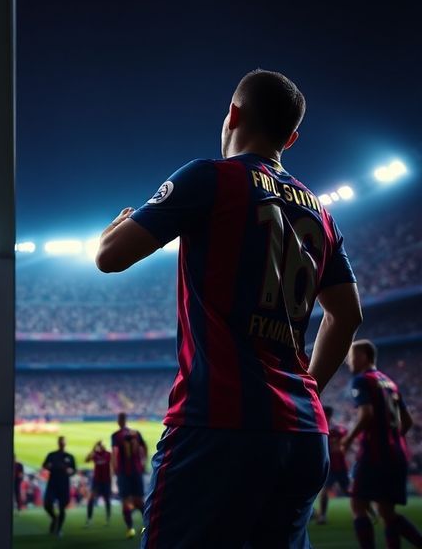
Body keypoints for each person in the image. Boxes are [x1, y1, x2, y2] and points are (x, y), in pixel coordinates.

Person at [96, 69, 363, 547]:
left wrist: (116, 226)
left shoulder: (210, 177)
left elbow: (109, 258)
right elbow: (347, 315)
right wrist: (311, 392)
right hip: (303, 436)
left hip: (217, 429)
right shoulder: (321, 212)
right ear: (292, 137)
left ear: (233, 114)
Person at [342, 339, 422, 548]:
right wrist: (392, 439)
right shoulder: (389, 382)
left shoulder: (362, 380)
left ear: (363, 356)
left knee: (358, 505)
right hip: (397, 453)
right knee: (387, 513)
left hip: (375, 453)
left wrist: (347, 440)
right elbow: (408, 421)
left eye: (351, 357)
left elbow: (366, 414)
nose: (349, 362)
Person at [111, 413, 147, 538]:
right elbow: (144, 447)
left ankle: (130, 529)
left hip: (123, 472)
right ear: (126, 420)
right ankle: (147, 527)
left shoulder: (116, 436)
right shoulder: (136, 433)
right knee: (139, 502)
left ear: (119, 421)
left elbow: (114, 453)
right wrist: (144, 462)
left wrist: (115, 469)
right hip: (137, 470)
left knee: (126, 501)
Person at [316, 406, 349, 524]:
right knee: (325, 491)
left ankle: (368, 512)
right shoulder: (332, 428)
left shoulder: (332, 429)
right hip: (332, 466)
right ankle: (322, 516)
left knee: (349, 491)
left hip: (337, 466)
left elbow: (344, 433)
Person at [42, 436, 76, 537]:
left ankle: (59, 529)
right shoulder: (52, 455)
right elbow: (44, 465)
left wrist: (70, 472)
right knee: (47, 504)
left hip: (64, 484)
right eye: (60, 442)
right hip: (52, 482)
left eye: (63, 442)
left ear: (65, 444)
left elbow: (74, 470)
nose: (62, 443)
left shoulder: (70, 456)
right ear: (58, 443)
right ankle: (54, 518)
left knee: (62, 507)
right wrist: (49, 466)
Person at [85, 440, 112, 527]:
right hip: (96, 481)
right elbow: (86, 460)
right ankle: (89, 519)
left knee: (107, 499)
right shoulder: (95, 454)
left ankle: (108, 519)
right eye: (100, 445)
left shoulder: (108, 454)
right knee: (91, 499)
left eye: (102, 445)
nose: (101, 446)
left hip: (106, 480)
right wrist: (93, 448)